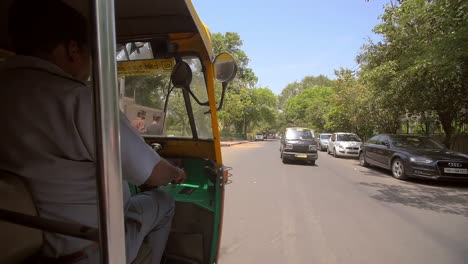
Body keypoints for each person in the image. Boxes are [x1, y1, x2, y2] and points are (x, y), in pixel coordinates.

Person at [0, 0, 185, 263]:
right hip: (90, 249)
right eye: (90, 53)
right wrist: (176, 173)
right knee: (163, 201)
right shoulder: (82, 100)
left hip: (30, 247)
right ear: (73, 49)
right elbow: (154, 174)